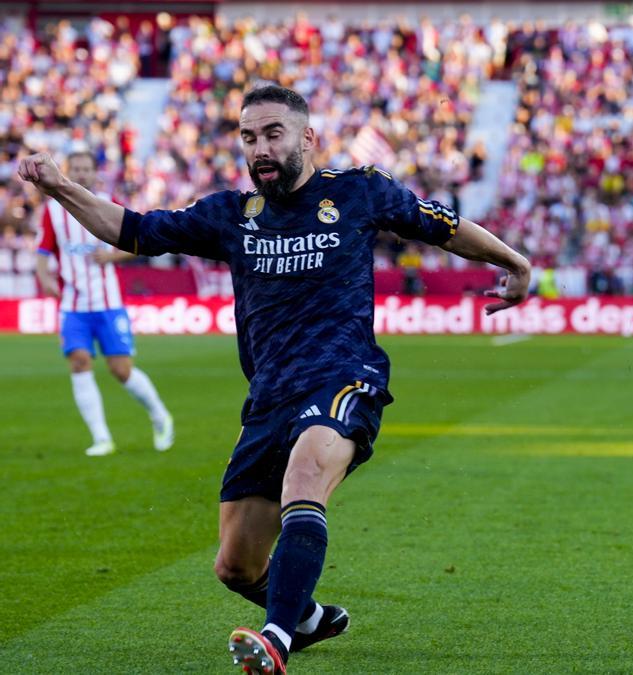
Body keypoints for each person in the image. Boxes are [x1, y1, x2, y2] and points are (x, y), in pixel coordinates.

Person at [19, 84, 531, 674]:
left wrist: (513, 263)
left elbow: (442, 226)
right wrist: (58, 186)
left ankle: (277, 639)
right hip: (268, 397)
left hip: (344, 376)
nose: (259, 148)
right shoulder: (230, 214)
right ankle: (308, 618)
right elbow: (130, 228)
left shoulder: (359, 191)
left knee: (306, 474)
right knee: (234, 566)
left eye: (272, 134)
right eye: (248, 137)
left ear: (306, 137)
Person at [33, 150, 174, 457]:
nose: (82, 174)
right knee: (79, 362)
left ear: (95, 173)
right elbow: (42, 251)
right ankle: (101, 438)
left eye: (86, 169)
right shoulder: (52, 211)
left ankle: (160, 415)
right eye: (77, 169)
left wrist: (111, 255)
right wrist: (44, 279)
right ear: (68, 171)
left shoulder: (109, 203)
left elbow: (140, 241)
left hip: (108, 303)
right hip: (73, 305)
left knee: (121, 370)